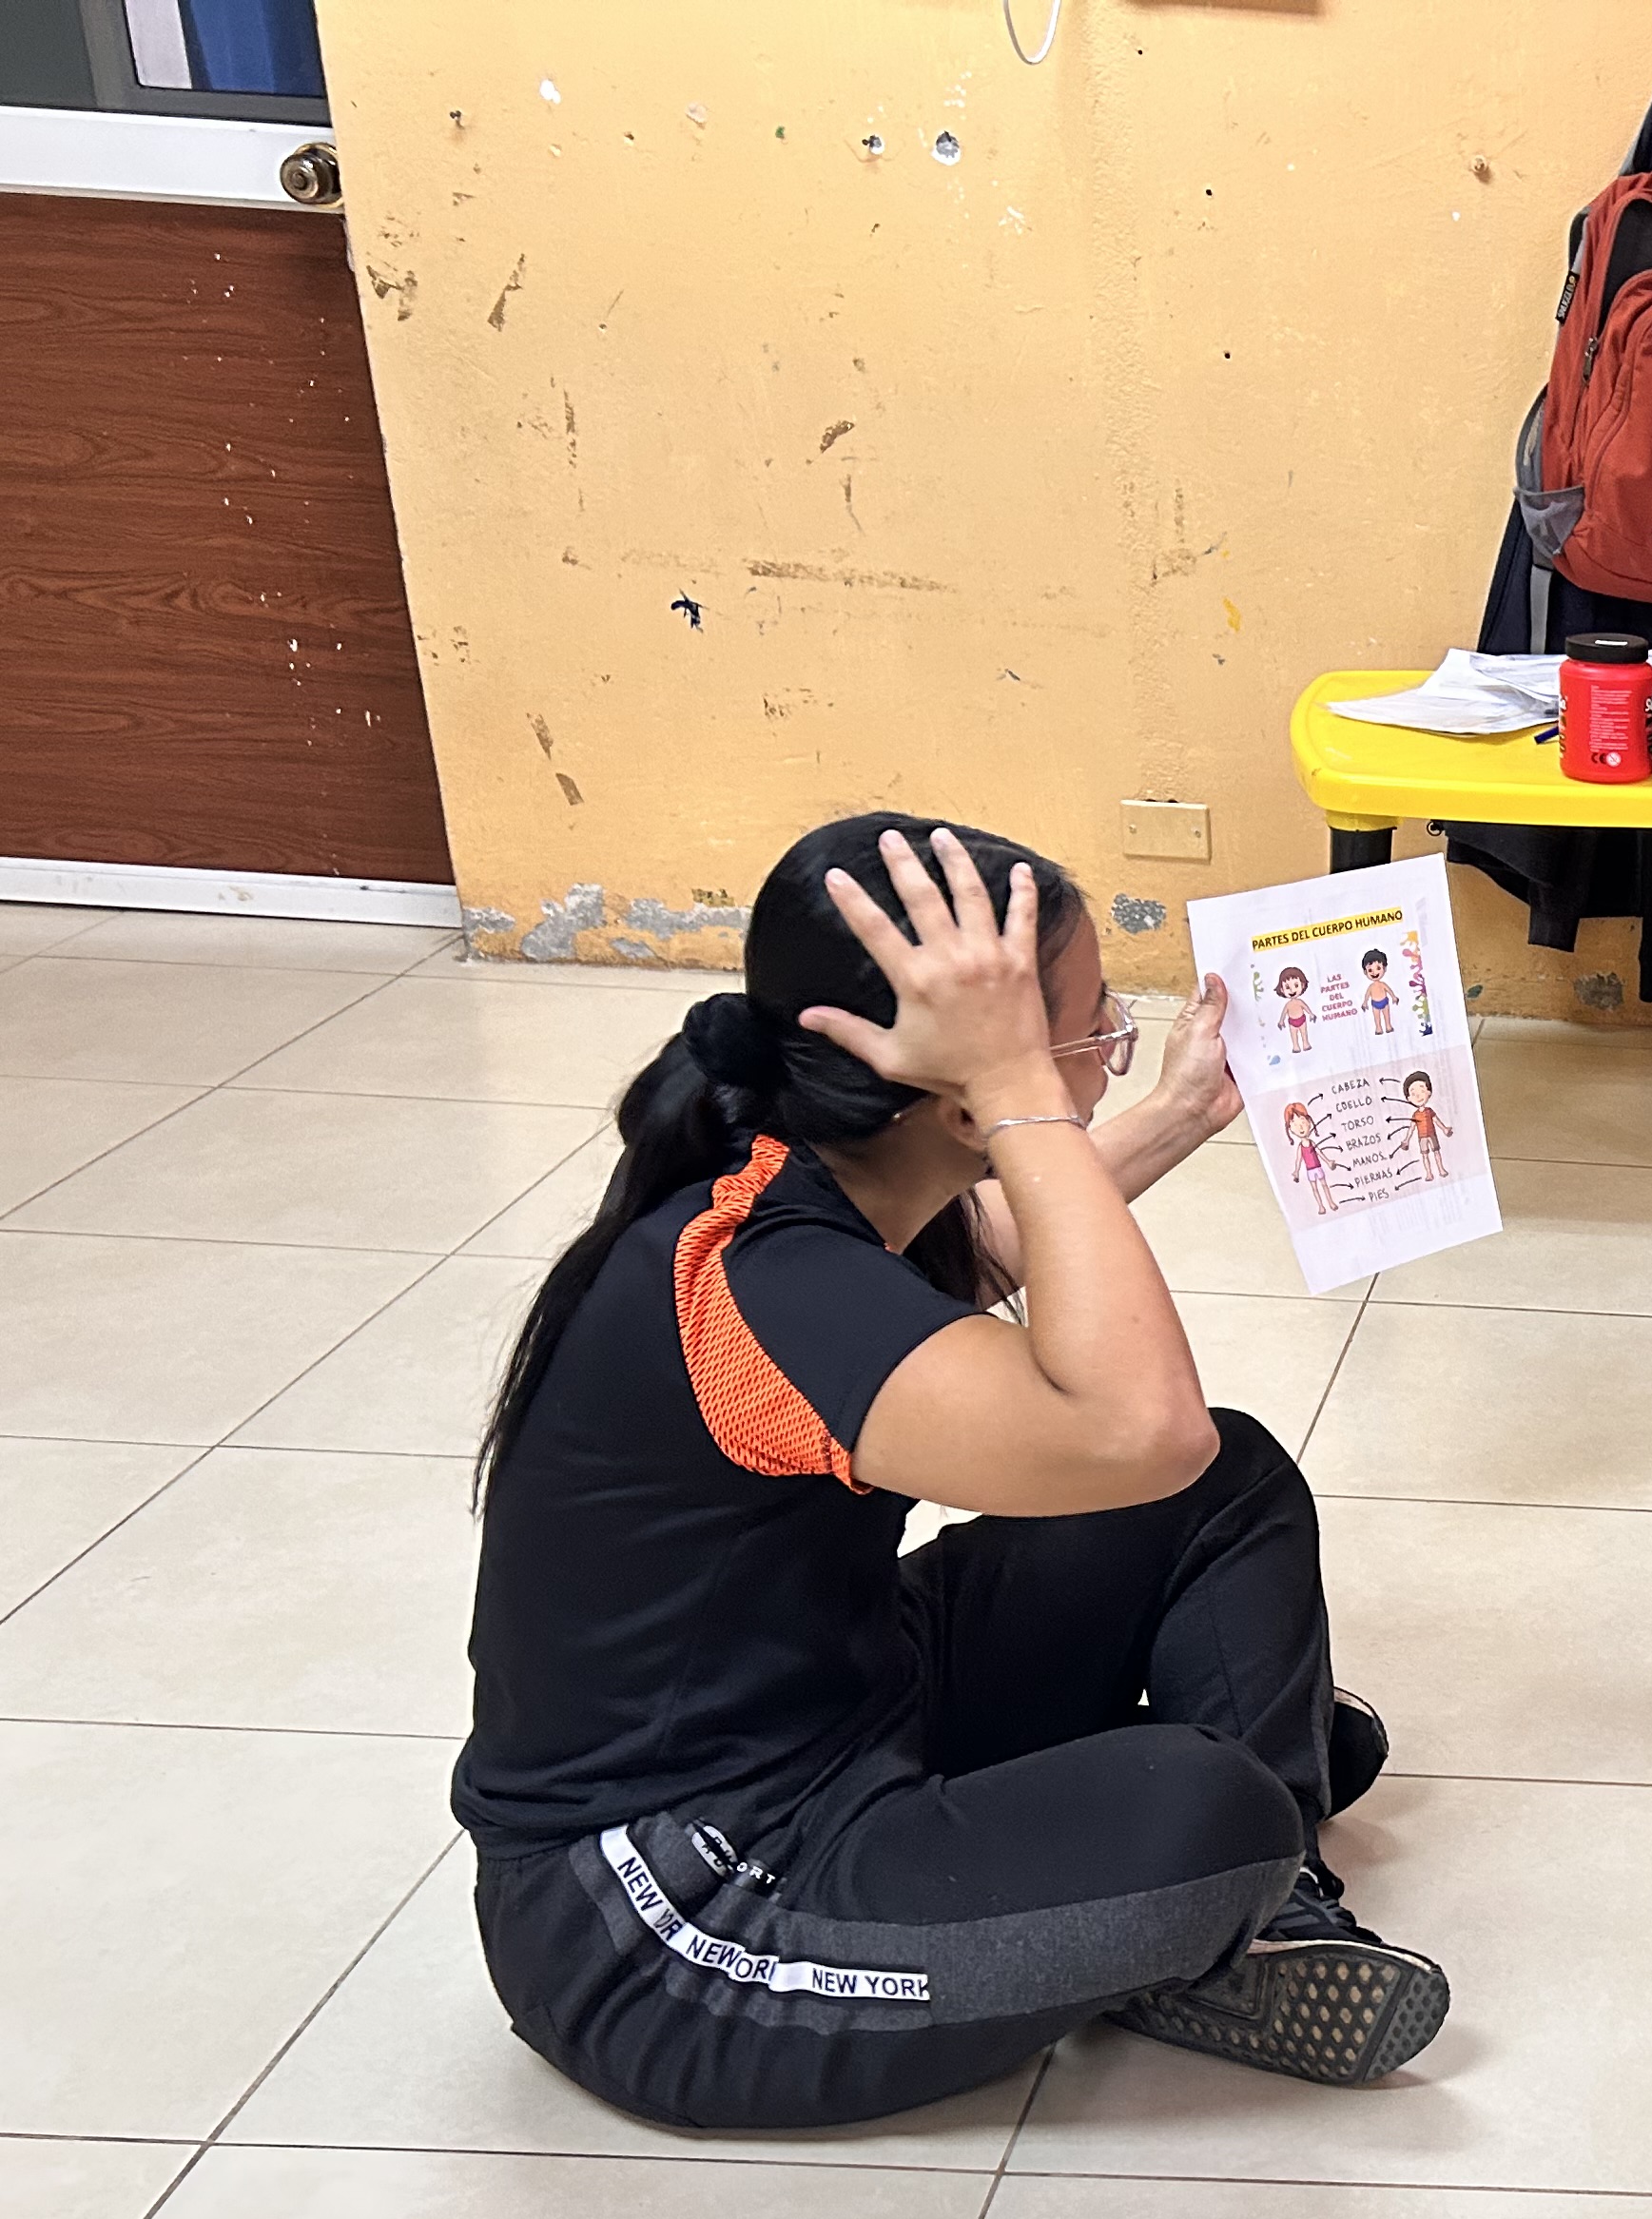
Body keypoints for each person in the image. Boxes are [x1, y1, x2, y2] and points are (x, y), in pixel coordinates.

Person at [455, 813, 1448, 2133]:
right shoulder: (761, 1280)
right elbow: (1137, 1427)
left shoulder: (824, 1187)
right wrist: (1025, 1095)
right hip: (673, 1918)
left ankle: (1263, 1916)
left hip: (844, 1708)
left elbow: (983, 1259)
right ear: (956, 1088)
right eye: (1089, 1035)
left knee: (1226, 1489)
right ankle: (1220, 1880)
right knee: (1209, 1811)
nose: (1104, 1056)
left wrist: (1175, 1111)